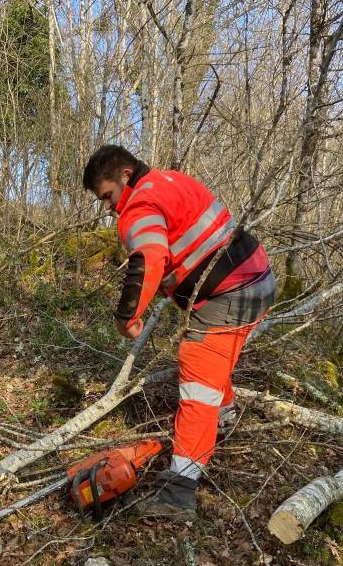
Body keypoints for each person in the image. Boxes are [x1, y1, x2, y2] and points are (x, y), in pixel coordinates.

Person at [83, 145, 275, 519]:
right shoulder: (171, 180)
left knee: (198, 380)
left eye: (107, 196)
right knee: (216, 364)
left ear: (125, 176)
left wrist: (127, 317)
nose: (108, 207)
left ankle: (180, 490)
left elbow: (149, 257)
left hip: (231, 292)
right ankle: (225, 417)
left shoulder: (139, 205)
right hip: (258, 280)